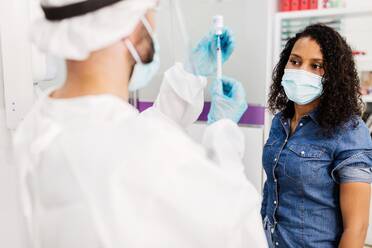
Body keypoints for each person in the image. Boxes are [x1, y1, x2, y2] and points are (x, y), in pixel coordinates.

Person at [13, 0, 268, 247]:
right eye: (152, 8)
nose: (153, 21)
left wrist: (191, 74)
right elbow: (238, 229)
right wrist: (223, 134)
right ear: (130, 25)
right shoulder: (147, 155)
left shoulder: (35, 126)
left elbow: (132, 133)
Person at [261, 24, 372, 248]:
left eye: (316, 66)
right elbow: (272, 191)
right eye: (295, 61)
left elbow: (356, 228)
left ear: (334, 75)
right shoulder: (280, 121)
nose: (302, 71)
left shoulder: (349, 131)